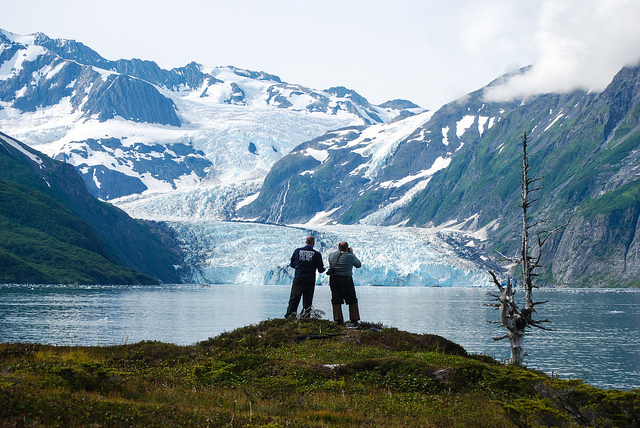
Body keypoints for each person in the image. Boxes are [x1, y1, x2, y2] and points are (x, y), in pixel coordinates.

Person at [285, 235, 325, 319]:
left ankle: (290, 316)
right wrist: (324, 269)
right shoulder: (317, 254)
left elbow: (292, 265)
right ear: (313, 243)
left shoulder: (297, 251)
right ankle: (305, 317)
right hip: (309, 280)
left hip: (299, 278)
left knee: (294, 299)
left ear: (306, 242)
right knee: (307, 301)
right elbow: (320, 269)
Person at [326, 241, 361, 326]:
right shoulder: (350, 256)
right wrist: (352, 253)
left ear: (338, 247)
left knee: (336, 299)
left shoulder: (331, 255)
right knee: (352, 299)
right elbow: (358, 265)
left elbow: (330, 263)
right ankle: (354, 320)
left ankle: (338, 321)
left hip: (334, 279)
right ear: (347, 248)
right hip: (346, 279)